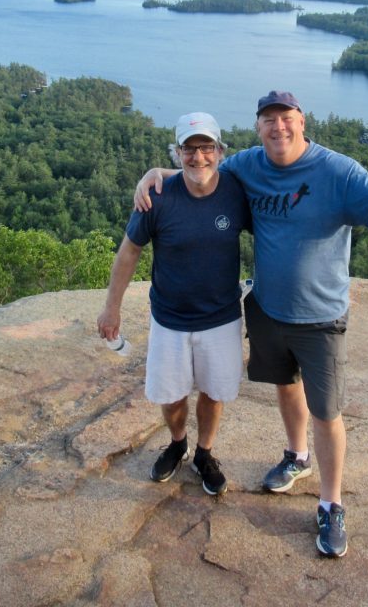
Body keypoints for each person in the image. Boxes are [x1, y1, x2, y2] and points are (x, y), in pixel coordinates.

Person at [135, 91, 368, 557]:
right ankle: (296, 457)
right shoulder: (248, 165)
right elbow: (200, 170)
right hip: (267, 310)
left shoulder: (336, 170)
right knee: (285, 387)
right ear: (258, 129)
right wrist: (158, 174)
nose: (278, 127)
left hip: (321, 318)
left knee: (327, 413)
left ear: (302, 121)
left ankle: (331, 503)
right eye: (269, 120)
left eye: (287, 119)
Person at [99, 112, 251, 496]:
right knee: (171, 394)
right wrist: (111, 308)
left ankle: (204, 453)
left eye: (206, 148)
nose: (198, 157)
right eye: (188, 148)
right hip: (169, 319)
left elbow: (275, 227)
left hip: (221, 318)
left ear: (219, 151)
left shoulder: (236, 191)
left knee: (215, 393)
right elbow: (129, 251)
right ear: (177, 152)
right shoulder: (158, 197)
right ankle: (178, 442)